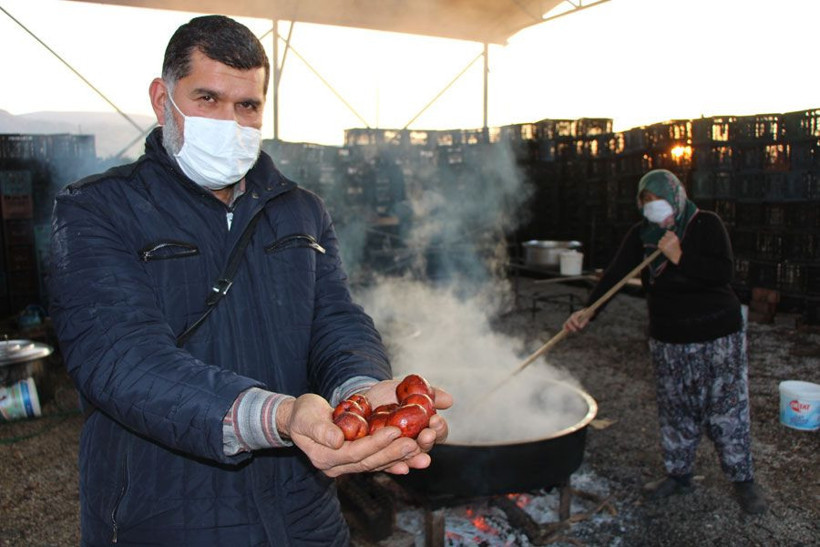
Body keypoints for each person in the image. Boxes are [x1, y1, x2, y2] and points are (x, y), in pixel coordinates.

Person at [47, 15, 451, 545]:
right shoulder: (96, 209)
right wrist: (278, 416)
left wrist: (360, 391)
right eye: (207, 99)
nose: (229, 122)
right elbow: (122, 357)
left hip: (303, 512)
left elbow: (335, 319)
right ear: (162, 99)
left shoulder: (300, 210)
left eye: (247, 105)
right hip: (166, 514)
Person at [563, 169, 766, 515]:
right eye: (646, 201)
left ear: (676, 195)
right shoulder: (642, 234)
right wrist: (588, 310)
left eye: (658, 199)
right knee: (676, 410)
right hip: (669, 340)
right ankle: (679, 475)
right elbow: (615, 275)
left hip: (717, 336)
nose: (653, 206)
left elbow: (723, 273)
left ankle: (743, 480)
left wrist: (679, 256)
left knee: (726, 409)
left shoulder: (705, 224)